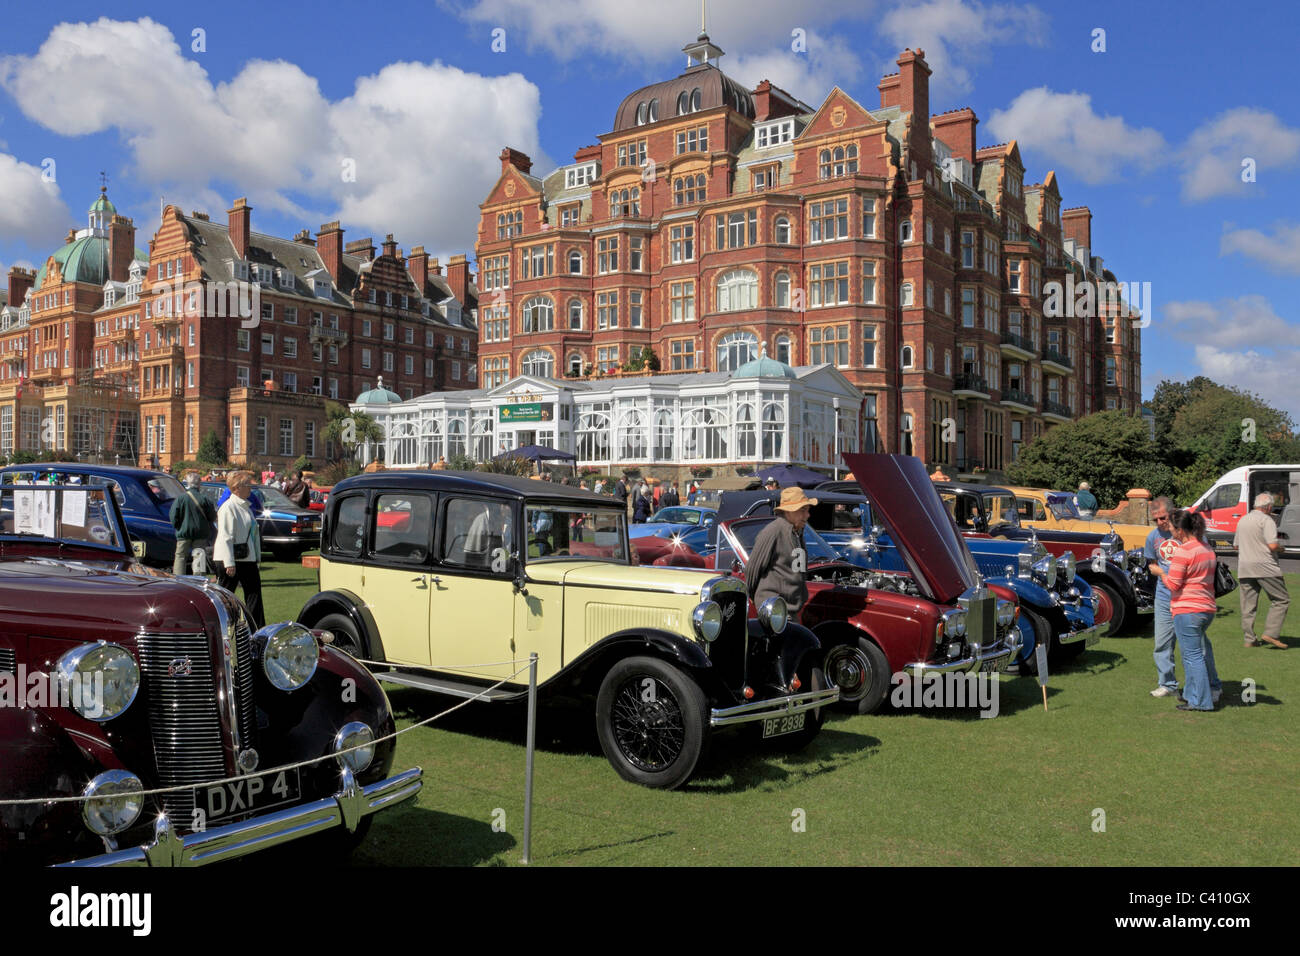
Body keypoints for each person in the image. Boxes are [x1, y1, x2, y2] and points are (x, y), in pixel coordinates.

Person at [1151, 509, 1221, 711]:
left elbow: (1173, 584)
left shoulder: (1184, 551)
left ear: (1180, 530)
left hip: (1188, 609)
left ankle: (1200, 701)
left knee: (1192, 657)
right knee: (1195, 654)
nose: (1170, 532)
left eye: (1172, 529)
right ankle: (1192, 695)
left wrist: (1160, 572)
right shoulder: (1206, 548)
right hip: (1206, 608)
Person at [746, 486, 817, 617]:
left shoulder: (797, 532)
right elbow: (752, 569)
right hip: (775, 609)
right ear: (789, 511)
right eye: (803, 510)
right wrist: (757, 599)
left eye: (808, 510)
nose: (807, 515)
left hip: (792, 609)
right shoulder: (773, 531)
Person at [1234, 492, 1289, 648]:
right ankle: (1271, 633)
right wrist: (1281, 548)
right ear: (1269, 507)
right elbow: (1272, 545)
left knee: (1248, 606)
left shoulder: (1243, 520)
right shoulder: (1267, 520)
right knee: (1281, 599)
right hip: (1266, 567)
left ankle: (1249, 639)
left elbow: (1236, 545)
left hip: (1245, 567)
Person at [214, 471, 265, 628]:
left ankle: (255, 627)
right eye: (247, 485)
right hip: (230, 559)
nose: (250, 488)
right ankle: (218, 624)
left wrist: (256, 557)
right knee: (224, 596)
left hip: (246, 557)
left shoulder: (244, 506)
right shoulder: (228, 507)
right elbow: (225, 536)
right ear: (237, 488)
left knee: (254, 593)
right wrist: (229, 562)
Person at [1145, 496, 1181, 697]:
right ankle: (1167, 684)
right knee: (1162, 642)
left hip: (1187, 595)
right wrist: (1163, 574)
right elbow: (1152, 564)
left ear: (1172, 512)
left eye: (1163, 517)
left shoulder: (1185, 532)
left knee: (1196, 644)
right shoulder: (1153, 537)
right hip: (1163, 595)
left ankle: (1210, 685)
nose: (1160, 522)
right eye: (1156, 519)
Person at [169, 470, 217, 575]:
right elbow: (212, 516)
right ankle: (198, 580)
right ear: (199, 483)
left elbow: (173, 516)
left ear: (187, 483)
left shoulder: (180, 498)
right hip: (200, 532)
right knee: (199, 555)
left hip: (184, 532)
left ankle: (178, 579)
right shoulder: (205, 499)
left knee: (180, 556)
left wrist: (178, 527)